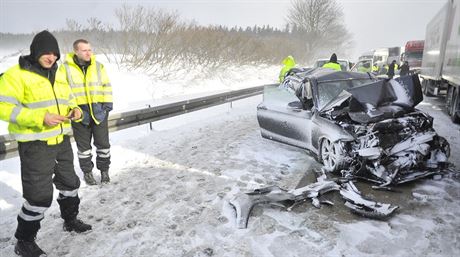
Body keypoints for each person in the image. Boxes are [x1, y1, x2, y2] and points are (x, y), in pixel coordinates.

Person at [0, 30, 92, 257]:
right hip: (35, 144)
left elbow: (69, 100)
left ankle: (70, 220)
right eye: (46, 53)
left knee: (70, 184)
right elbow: (3, 107)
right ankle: (24, 241)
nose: (51, 58)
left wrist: (76, 111)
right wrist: (40, 118)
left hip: (61, 140)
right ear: (35, 51)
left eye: (54, 54)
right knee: (38, 197)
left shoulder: (58, 74)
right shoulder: (16, 75)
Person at [60, 39, 113, 185]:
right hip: (79, 113)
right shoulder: (65, 69)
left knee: (103, 145)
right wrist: (73, 109)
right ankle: (87, 173)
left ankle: (104, 171)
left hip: (99, 111)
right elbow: (63, 91)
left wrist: (107, 106)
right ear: (76, 51)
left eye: (90, 49)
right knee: (84, 148)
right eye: (84, 50)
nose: (88, 52)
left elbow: (106, 86)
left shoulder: (98, 66)